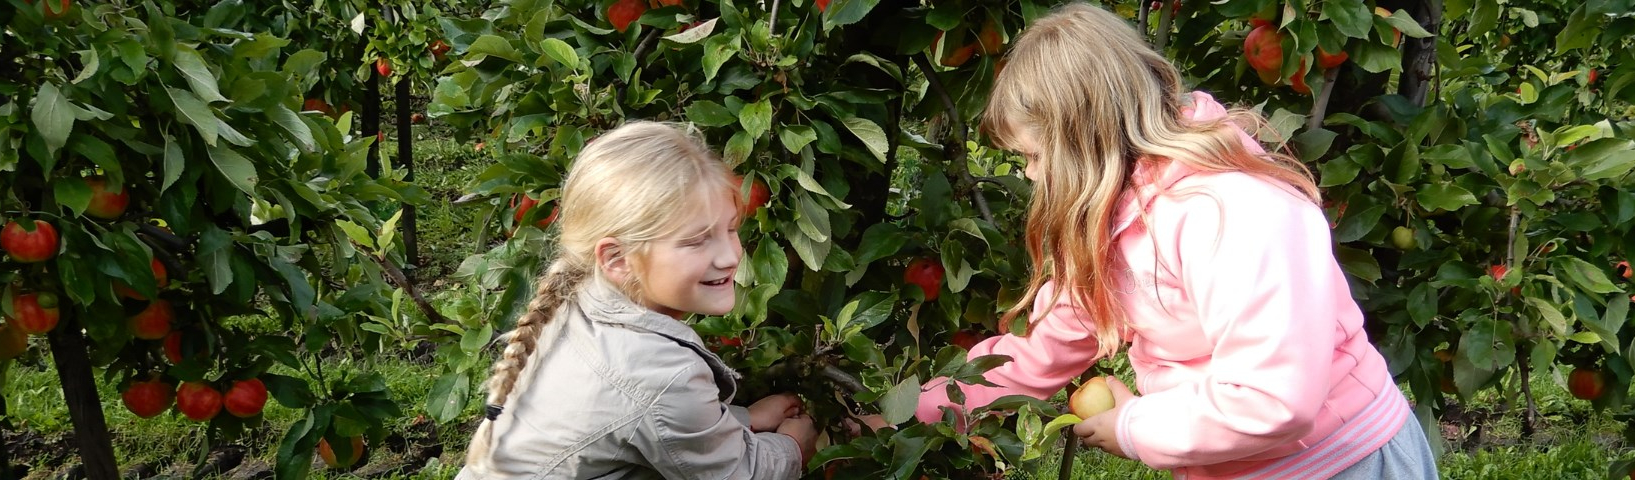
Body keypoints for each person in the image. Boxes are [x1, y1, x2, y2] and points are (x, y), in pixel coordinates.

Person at [914, 4, 1439, 479]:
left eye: (1033, 156)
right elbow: (1040, 351)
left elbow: (1274, 399)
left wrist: (1135, 427)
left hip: (1341, 460)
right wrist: (907, 416)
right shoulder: (1113, 220)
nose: (1030, 175)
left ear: (1083, 140)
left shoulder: (1234, 213)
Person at [458, 121, 816, 479]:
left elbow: (633, 412)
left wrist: (742, 419)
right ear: (617, 259)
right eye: (696, 241)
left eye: (731, 229)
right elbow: (738, 474)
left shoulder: (575, 298)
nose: (730, 256)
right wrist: (793, 447)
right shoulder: (661, 373)